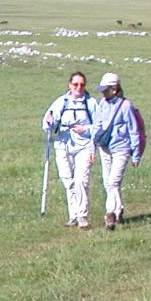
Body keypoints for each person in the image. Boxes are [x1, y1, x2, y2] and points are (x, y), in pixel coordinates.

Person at [41, 71, 97, 229]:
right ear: (69, 85)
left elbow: (100, 127)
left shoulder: (91, 103)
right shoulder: (61, 102)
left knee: (81, 181)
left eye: (82, 85)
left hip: (84, 146)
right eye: (75, 84)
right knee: (68, 181)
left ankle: (82, 216)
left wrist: (85, 129)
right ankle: (73, 215)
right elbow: (47, 124)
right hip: (63, 145)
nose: (78, 87)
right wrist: (49, 122)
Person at [92, 73, 146, 230]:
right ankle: (119, 210)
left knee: (113, 182)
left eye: (106, 89)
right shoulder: (102, 103)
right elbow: (97, 124)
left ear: (114, 89)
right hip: (105, 147)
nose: (103, 92)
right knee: (108, 182)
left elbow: (134, 131)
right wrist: (93, 143)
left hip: (121, 148)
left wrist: (136, 155)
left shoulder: (126, 106)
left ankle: (110, 215)